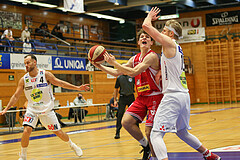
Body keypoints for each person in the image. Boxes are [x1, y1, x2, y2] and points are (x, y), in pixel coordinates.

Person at [142, 7, 221, 160]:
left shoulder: (170, 43)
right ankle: (208, 155)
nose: (162, 32)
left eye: (164, 30)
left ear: (171, 34)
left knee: (155, 134)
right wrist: (161, 72)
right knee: (182, 132)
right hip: (183, 96)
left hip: (173, 96)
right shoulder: (175, 48)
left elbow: (146, 27)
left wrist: (149, 17)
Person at [91, 29, 163, 160]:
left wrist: (115, 63)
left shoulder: (152, 56)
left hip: (155, 96)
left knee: (149, 131)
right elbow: (116, 72)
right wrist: (99, 66)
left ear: (151, 42)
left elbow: (134, 72)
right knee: (126, 122)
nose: (144, 38)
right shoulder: (134, 58)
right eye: (142, 37)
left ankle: (156, 157)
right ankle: (146, 146)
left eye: (147, 37)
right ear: (138, 42)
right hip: (141, 97)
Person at [0, 54, 89, 160]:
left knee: (59, 133)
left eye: (28, 63)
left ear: (34, 62)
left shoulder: (45, 74)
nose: (26, 65)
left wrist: (78, 88)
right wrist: (6, 108)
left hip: (47, 111)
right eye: (25, 64)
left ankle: (72, 145)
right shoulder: (24, 80)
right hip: (32, 110)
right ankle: (23, 156)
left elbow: (61, 83)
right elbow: (15, 96)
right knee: (26, 130)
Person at [113, 74, 135, 139]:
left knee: (134, 114)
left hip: (131, 97)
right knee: (120, 114)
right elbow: (116, 89)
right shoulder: (119, 78)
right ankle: (117, 131)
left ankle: (136, 129)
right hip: (122, 97)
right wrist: (115, 99)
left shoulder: (132, 76)